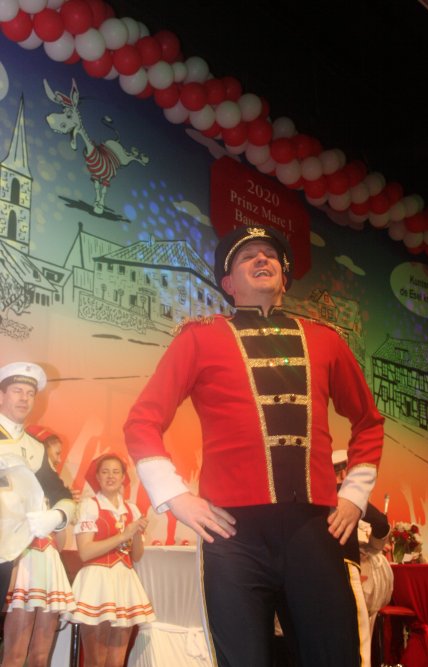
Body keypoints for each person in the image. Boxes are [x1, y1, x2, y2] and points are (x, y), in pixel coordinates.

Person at [124, 224, 385, 667]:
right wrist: (175, 496)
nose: (262, 259)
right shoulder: (199, 337)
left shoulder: (325, 339)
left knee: (335, 655)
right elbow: (142, 422)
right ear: (228, 283)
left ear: (285, 277)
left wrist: (354, 495)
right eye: (248, 256)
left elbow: (369, 422)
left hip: (315, 529)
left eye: (270, 254)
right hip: (232, 534)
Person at [0, 361, 76, 666]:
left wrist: (56, 517)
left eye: (30, 393)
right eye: (17, 390)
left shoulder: (36, 447)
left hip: (6, 555)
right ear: (1, 395)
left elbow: (61, 494)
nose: (24, 398)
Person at [68, 453, 155, 667]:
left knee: (117, 661)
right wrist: (124, 535)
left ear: (124, 477)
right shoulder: (88, 505)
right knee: (95, 660)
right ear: (97, 476)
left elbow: (136, 555)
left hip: (124, 582)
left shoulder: (132, 509)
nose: (111, 476)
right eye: (105, 472)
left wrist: (136, 533)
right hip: (97, 582)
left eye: (116, 472)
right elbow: (85, 552)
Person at [333, 449, 392, 667]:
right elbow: (381, 525)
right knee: (358, 642)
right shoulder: (349, 496)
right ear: (345, 474)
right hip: (345, 569)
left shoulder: (309, 497)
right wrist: (374, 546)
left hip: (311, 574)